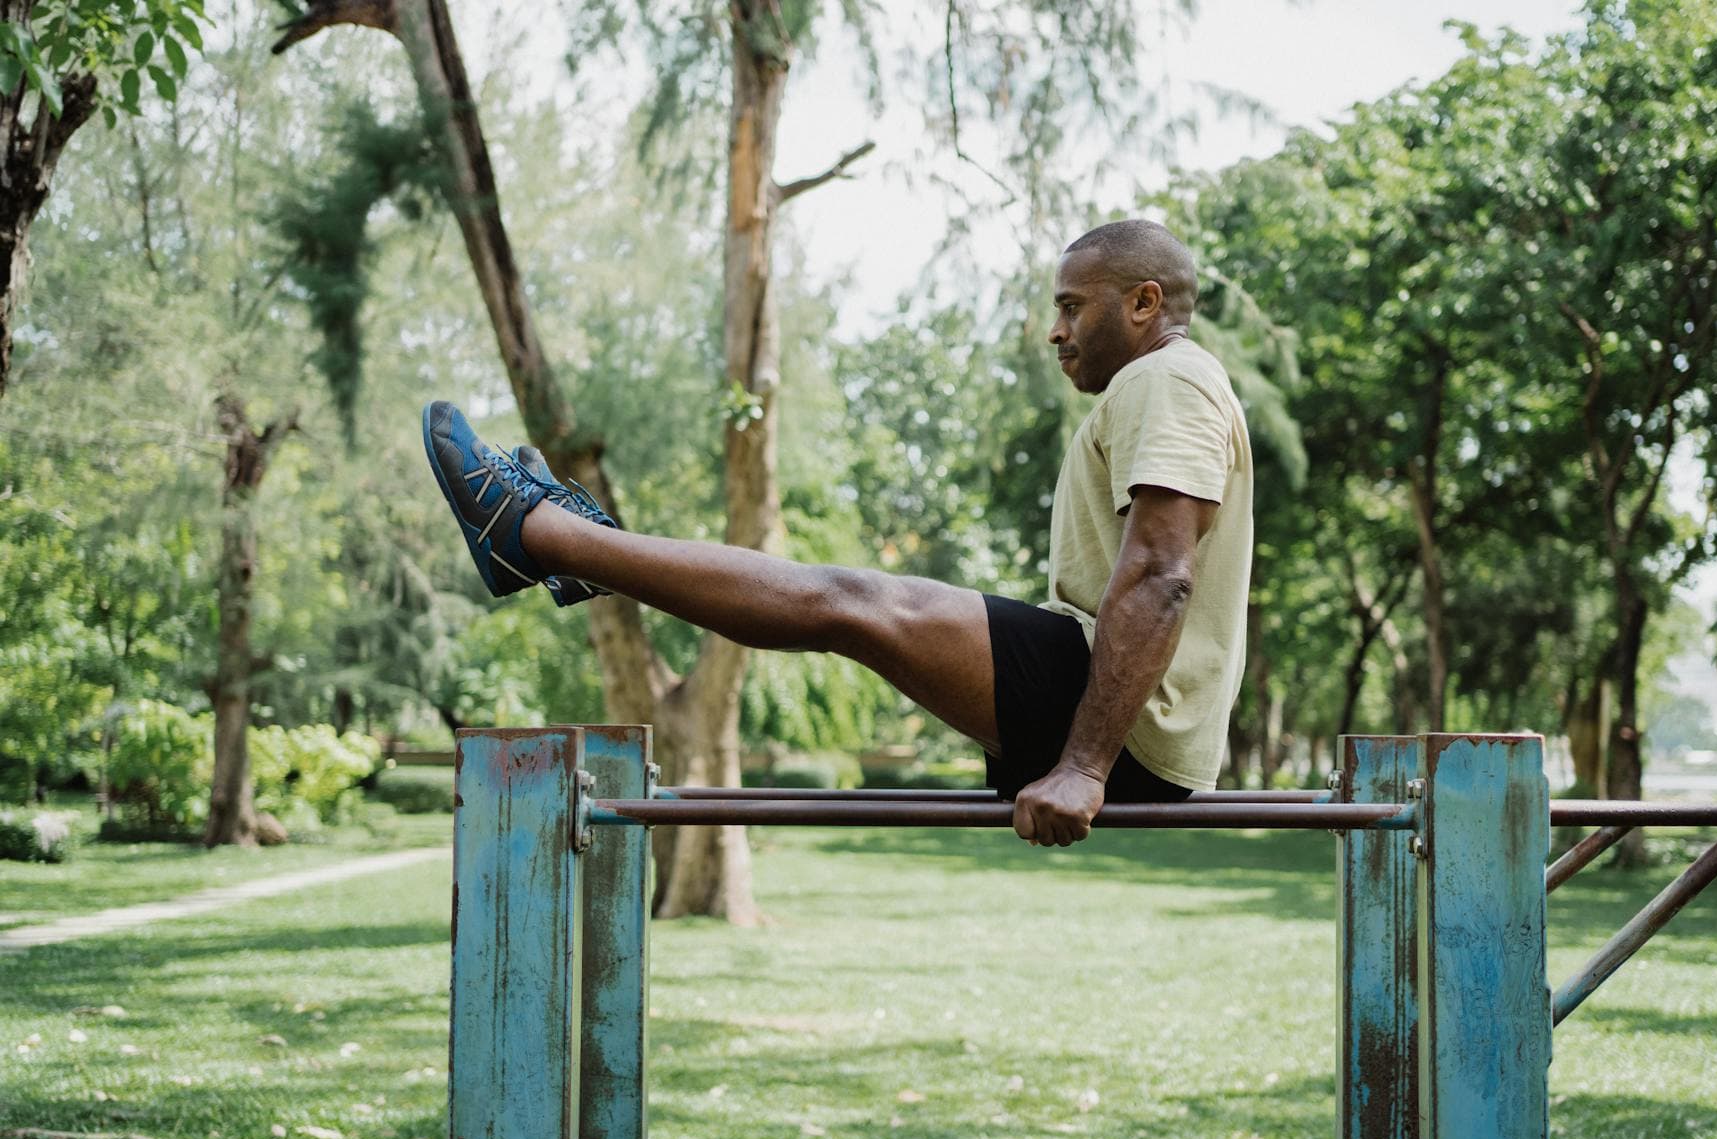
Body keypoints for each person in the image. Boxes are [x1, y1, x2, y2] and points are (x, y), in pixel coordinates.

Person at [423, 219, 1254, 846]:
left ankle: (538, 535)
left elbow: (1161, 574)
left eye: (1073, 306)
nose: (1056, 330)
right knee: (849, 602)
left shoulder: (1170, 378)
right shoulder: (1163, 383)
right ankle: (581, 549)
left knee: (850, 601)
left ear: (1145, 303)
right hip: (1117, 703)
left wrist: (1083, 766)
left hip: (1127, 723)